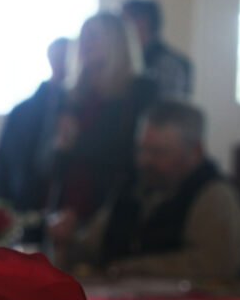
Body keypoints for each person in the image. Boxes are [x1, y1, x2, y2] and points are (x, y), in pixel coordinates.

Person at [47, 100, 240, 282]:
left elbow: (216, 266)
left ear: (196, 152)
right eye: (142, 149)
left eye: (159, 152)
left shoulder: (214, 196)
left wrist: (131, 268)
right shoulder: (133, 189)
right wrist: (67, 240)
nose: (145, 160)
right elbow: (91, 247)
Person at [47, 12, 158, 227]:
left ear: (116, 41)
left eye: (94, 36)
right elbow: (53, 158)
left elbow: (129, 152)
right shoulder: (71, 95)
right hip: (68, 206)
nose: (85, 43)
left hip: (114, 207)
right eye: (83, 36)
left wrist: (75, 142)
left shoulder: (139, 91)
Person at [0, 37, 69, 232]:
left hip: (64, 212)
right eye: (58, 57)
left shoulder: (80, 109)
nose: (62, 63)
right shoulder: (22, 112)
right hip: (23, 207)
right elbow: (3, 163)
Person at [122, 0, 193, 98]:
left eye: (124, 20)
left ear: (143, 22)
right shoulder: (125, 59)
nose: (118, 28)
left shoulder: (169, 64)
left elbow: (167, 109)